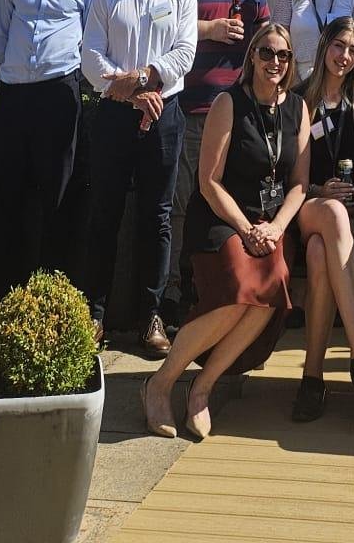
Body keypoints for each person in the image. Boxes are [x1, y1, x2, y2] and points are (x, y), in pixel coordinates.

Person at [140, 22, 311, 441]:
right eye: (267, 53)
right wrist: (246, 228)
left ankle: (202, 388)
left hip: (270, 225)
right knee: (240, 288)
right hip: (222, 219)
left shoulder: (298, 109)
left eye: (283, 55)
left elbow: (300, 186)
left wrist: (275, 227)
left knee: (272, 288)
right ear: (252, 56)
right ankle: (160, 384)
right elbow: (208, 181)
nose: (275, 62)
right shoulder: (228, 102)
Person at [79, 0, 198, 355]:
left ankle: (151, 315)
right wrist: (131, 95)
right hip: (114, 115)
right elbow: (91, 59)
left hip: (164, 115)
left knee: (157, 217)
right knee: (104, 213)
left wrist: (146, 80)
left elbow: (184, 53)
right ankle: (95, 313)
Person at [0, 0, 102, 306]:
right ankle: (4, 298)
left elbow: (93, 39)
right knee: (8, 195)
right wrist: (17, 71)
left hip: (60, 92)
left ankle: (53, 298)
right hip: (14, 93)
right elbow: (0, 33)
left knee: (59, 196)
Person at [167, 0, 269, 322]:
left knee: (233, 201)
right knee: (183, 200)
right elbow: (161, 27)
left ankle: (227, 290)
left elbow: (263, 32)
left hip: (237, 113)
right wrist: (209, 29)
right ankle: (172, 290)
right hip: (193, 107)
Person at [290, 16, 354, 436]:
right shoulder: (299, 100)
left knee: (319, 253)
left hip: (351, 219)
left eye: (353, 50)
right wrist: (320, 189)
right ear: (324, 46)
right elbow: (293, 180)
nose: (344, 56)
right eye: (338, 46)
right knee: (327, 216)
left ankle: (312, 376)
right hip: (308, 205)